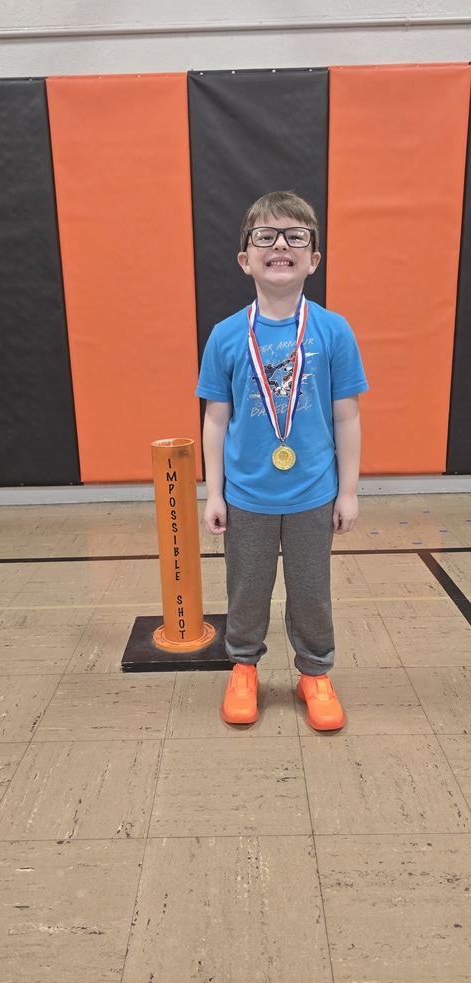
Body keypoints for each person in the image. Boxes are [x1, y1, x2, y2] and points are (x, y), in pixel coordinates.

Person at [196, 191, 368, 731]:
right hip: (247, 495)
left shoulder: (333, 330)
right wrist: (215, 492)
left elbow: (347, 418)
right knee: (246, 587)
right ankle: (243, 666)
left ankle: (314, 672)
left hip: (313, 493)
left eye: (296, 237)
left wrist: (348, 490)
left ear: (313, 260)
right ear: (245, 258)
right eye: (265, 236)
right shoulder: (226, 335)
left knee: (312, 589)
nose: (281, 246)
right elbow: (216, 422)